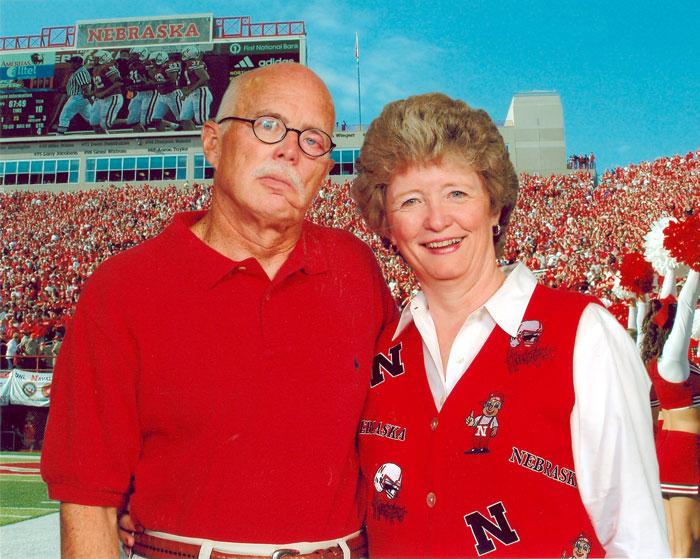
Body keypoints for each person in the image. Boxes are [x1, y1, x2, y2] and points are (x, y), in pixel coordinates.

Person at [41, 62, 396, 559]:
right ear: (212, 142)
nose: (290, 150)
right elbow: (89, 499)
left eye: (313, 139)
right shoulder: (123, 287)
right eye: (268, 125)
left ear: (325, 168)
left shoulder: (355, 269)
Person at [350, 92, 669, 557]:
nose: (437, 219)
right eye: (411, 201)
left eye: (457, 192)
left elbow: (637, 538)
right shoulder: (378, 353)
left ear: (495, 207)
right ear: (387, 226)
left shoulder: (585, 334)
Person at [641, 270, 700, 557]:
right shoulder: (672, 363)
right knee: (687, 545)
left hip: (668, 450)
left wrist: (671, 269)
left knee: (673, 542)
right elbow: (686, 307)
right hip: (685, 453)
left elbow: (671, 301)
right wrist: (696, 268)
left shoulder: (659, 362)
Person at [50, 55, 93, 135]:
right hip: (81, 98)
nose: (70, 64)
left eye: (71, 63)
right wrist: (59, 90)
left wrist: (90, 99)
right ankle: (104, 133)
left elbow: (85, 87)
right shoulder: (78, 71)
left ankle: (59, 136)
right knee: (91, 119)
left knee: (64, 117)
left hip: (78, 97)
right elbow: (74, 87)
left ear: (76, 63)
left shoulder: (81, 72)